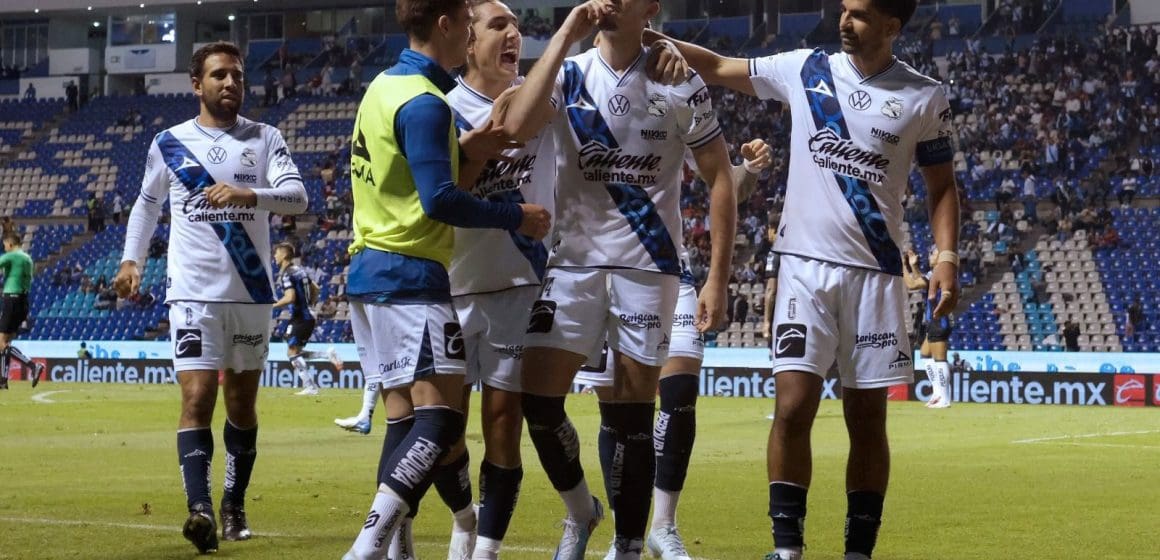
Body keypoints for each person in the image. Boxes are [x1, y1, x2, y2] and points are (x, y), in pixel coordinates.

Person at [644, 0, 962, 557]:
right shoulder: (806, 67)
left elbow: (942, 186)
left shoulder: (924, 95)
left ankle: (858, 550)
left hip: (875, 276)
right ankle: (787, 548)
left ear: (892, 26)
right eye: (844, 8)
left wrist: (947, 257)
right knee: (792, 407)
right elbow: (720, 67)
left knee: (867, 421)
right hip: (802, 270)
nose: (845, 20)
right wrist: (649, 39)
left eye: (860, 13)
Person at [500, 0, 737, 557]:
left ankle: (629, 544)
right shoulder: (569, 73)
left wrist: (718, 280)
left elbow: (720, 177)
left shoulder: (680, 81)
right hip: (573, 266)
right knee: (536, 400)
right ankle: (582, 511)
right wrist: (563, 35)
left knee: (632, 419)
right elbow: (512, 128)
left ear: (650, 6)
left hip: (647, 268)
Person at [338, 0, 551, 557]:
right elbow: (439, 201)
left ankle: (399, 546)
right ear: (447, 25)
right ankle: (365, 547)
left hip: (367, 274)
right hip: (412, 276)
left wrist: (467, 149)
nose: (470, 38)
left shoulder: (382, 86)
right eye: (469, 23)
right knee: (439, 425)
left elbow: (403, 172)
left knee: (403, 420)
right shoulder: (427, 102)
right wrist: (516, 216)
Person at [113, 41, 309, 554]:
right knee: (197, 397)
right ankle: (199, 509)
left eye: (237, 76)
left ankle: (232, 503)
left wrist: (252, 196)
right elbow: (146, 204)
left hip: (250, 294)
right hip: (193, 294)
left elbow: (298, 196)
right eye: (219, 75)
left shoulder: (266, 139)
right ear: (196, 84)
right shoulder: (169, 143)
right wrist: (131, 260)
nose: (230, 84)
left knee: (242, 407)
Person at [572, 138, 770, 560]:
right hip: (600, 275)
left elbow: (722, 181)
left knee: (679, 397)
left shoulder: (674, 100)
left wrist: (748, 170)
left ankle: (664, 526)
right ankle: (625, 536)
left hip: (667, 271)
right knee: (619, 417)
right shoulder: (583, 100)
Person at [272, 242, 342, 396]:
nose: (274, 256)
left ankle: (311, 387)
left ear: (284, 255)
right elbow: (316, 287)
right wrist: (310, 303)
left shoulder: (287, 274)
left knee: (292, 352)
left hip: (301, 317)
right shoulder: (299, 270)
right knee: (295, 352)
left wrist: (273, 306)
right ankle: (326, 355)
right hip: (306, 314)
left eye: (276, 253)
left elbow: (290, 297)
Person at [903, 249, 954, 408]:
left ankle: (944, 398)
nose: (930, 255)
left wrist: (902, 266)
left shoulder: (939, 273)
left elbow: (912, 284)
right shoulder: (936, 273)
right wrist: (914, 266)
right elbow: (923, 281)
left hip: (939, 320)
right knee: (924, 355)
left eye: (933, 253)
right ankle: (937, 393)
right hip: (933, 320)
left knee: (940, 360)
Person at [0, 233, 43, 390]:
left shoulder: (12, 256)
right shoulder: (27, 259)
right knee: (6, 343)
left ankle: (33, 366)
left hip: (11, 299)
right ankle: (3, 381)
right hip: (24, 301)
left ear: (10, 244)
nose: (4, 248)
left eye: (5, 245)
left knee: (1, 342)